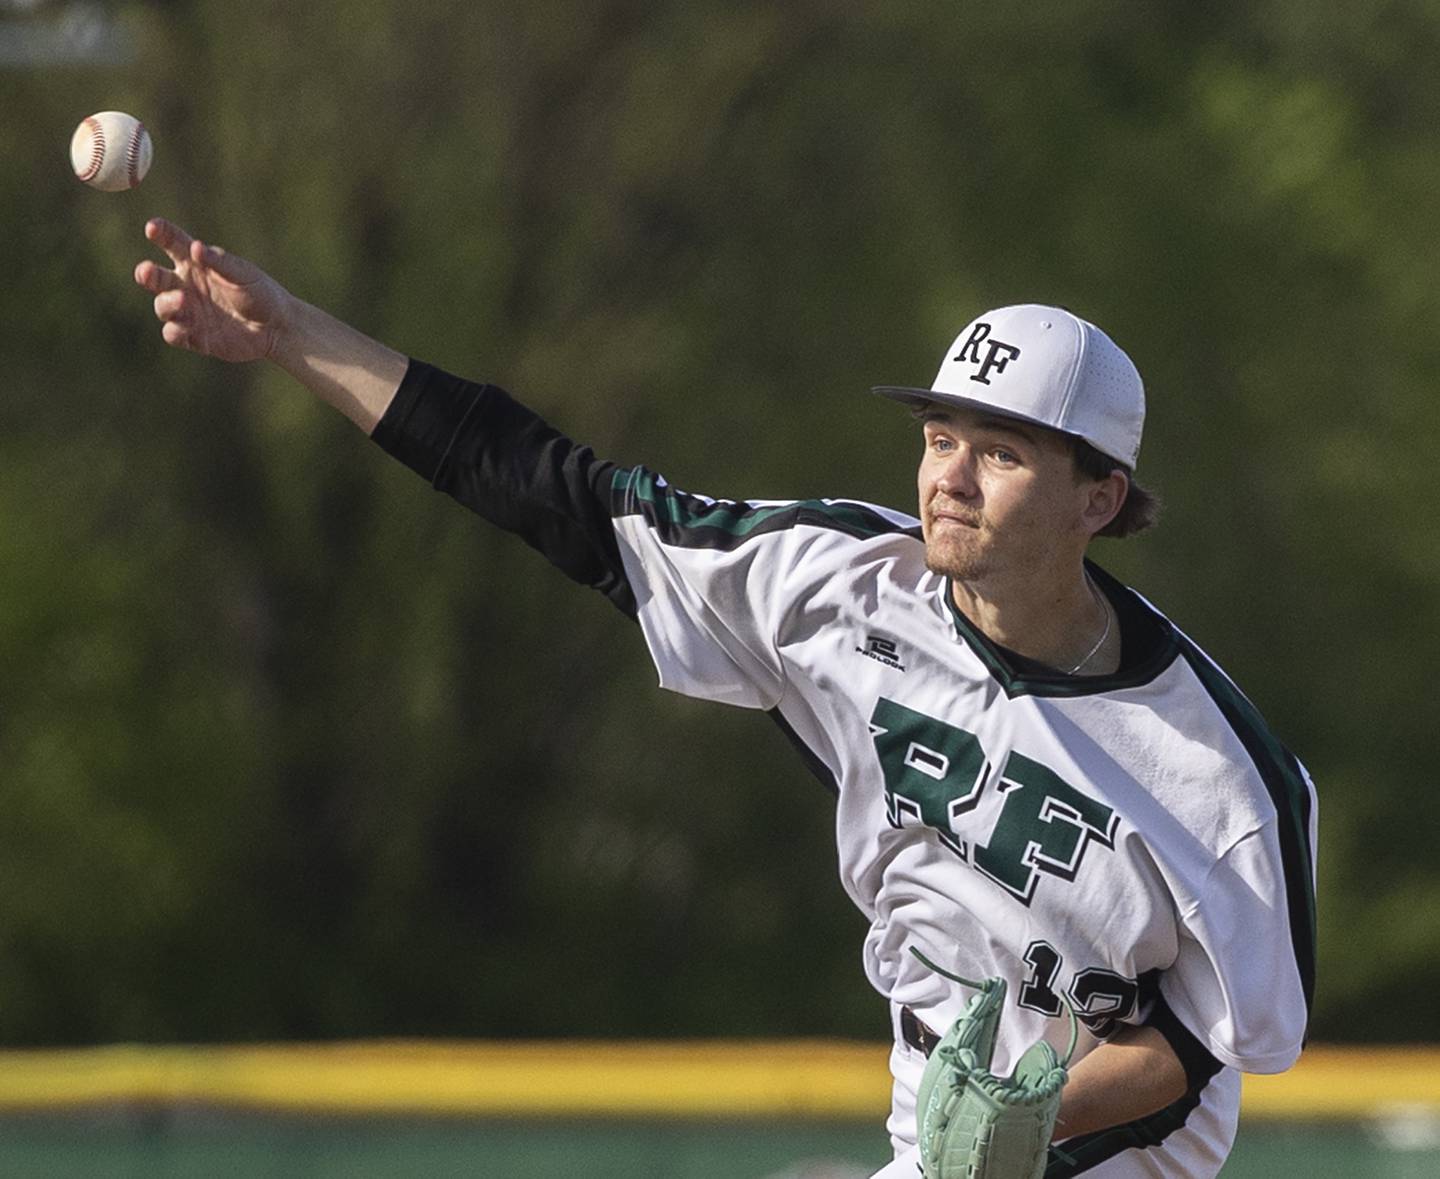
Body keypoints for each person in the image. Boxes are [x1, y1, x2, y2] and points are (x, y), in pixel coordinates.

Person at [134, 217, 1317, 1178]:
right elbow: (561, 495)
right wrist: (292, 335)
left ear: (1099, 500)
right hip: (931, 1145)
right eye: (940, 435)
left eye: (1000, 454)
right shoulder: (842, 588)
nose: (949, 477)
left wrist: (1034, 1114)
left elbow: (1209, 1042)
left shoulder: (1220, 772)